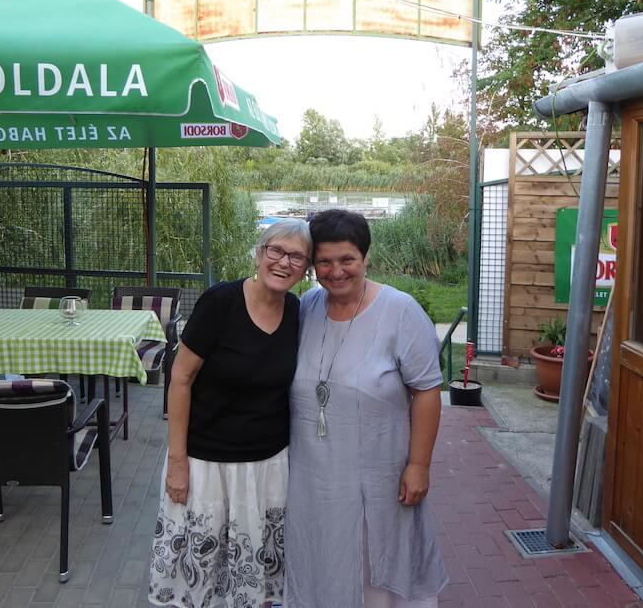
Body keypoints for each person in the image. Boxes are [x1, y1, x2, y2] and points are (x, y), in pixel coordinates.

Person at [285, 209, 447, 608]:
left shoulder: (400, 311)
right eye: (324, 261)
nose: (336, 271)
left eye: (347, 260)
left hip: (379, 476)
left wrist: (419, 465)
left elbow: (427, 391)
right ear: (312, 265)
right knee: (320, 562)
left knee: (375, 568)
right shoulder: (306, 307)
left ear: (365, 258)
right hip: (312, 479)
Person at [149, 218, 312, 608]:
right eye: (275, 250)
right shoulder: (220, 302)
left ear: (306, 269)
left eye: (296, 256)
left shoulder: (295, 311)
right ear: (258, 254)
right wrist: (176, 462)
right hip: (206, 465)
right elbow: (181, 379)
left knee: (256, 574)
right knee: (198, 575)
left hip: (268, 467)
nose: (284, 262)